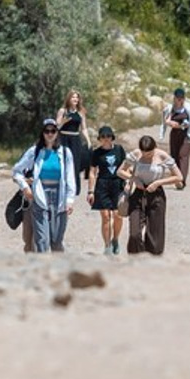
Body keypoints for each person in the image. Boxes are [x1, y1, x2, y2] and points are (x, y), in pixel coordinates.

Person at [12, 117, 76, 253]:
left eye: (53, 131)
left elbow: (70, 177)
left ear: (57, 133)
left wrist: (70, 200)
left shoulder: (65, 153)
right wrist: (25, 187)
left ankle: (58, 270)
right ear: (42, 133)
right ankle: (42, 270)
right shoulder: (34, 152)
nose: (50, 134)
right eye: (47, 131)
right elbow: (17, 171)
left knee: (57, 242)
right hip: (39, 196)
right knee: (42, 239)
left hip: (60, 196)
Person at [119, 134, 182, 255]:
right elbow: (120, 171)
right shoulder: (135, 155)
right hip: (138, 194)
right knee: (134, 233)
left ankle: (152, 261)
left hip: (156, 194)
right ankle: (136, 257)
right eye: (144, 153)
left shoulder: (163, 156)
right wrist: (134, 179)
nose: (147, 156)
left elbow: (179, 177)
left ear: (155, 148)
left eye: (150, 153)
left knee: (155, 234)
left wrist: (158, 182)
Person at [87, 125, 127, 255]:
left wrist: (128, 182)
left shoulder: (119, 150)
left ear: (112, 137)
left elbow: (126, 166)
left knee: (118, 215)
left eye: (108, 136)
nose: (106, 139)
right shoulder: (96, 153)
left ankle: (115, 239)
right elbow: (92, 172)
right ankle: (107, 245)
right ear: (99, 138)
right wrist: (90, 191)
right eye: (103, 137)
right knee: (105, 216)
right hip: (102, 184)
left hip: (117, 184)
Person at [56, 89, 91, 193]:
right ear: (69, 98)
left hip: (75, 139)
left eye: (77, 97)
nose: (75, 99)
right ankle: (61, 185)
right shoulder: (63, 111)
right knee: (62, 161)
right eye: (73, 97)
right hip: (63, 138)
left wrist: (88, 141)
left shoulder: (81, 112)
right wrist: (63, 121)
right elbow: (56, 126)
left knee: (75, 162)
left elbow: (84, 128)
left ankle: (74, 187)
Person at [162, 87, 190, 183]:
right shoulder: (171, 108)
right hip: (175, 134)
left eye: (181, 98)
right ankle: (176, 177)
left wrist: (182, 126)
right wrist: (170, 123)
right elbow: (166, 120)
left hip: (186, 134)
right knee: (174, 155)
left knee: (182, 155)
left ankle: (182, 180)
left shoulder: (187, 108)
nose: (179, 100)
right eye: (178, 98)